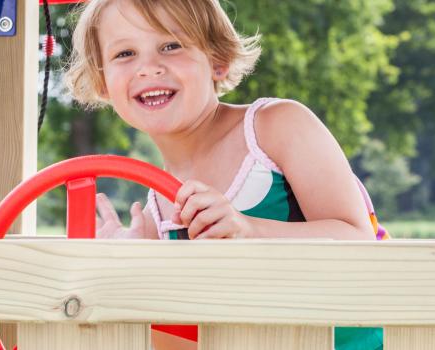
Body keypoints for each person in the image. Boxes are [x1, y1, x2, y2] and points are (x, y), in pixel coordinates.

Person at [65, 1, 384, 349]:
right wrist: (131, 272)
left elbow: (360, 241)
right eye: (125, 53)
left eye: (171, 45)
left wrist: (248, 230)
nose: (148, 68)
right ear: (102, 83)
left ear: (218, 60)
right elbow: (183, 342)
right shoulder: (157, 215)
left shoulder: (276, 128)